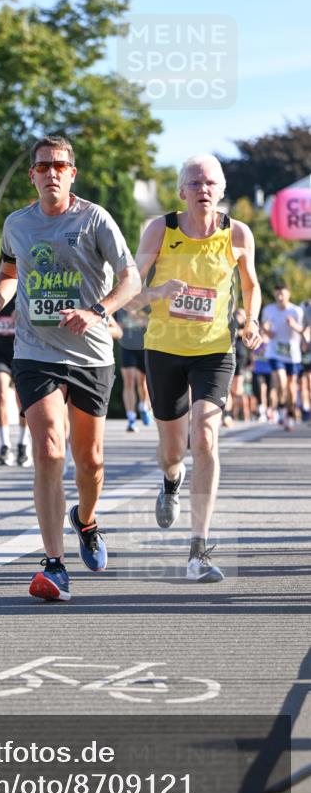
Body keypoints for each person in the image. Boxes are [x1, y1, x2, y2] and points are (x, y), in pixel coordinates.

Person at [0, 134, 141, 602]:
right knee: (48, 450)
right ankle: (54, 563)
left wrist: (97, 311)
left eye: (59, 166)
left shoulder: (94, 219)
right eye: (43, 166)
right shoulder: (17, 224)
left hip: (90, 354)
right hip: (35, 352)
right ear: (32, 175)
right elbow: (9, 275)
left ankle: (85, 520)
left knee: (90, 460)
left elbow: (131, 279)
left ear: (72, 174)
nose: (51, 173)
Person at [134, 153, 262, 583]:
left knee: (205, 435)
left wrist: (251, 321)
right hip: (164, 349)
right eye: (194, 183)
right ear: (181, 191)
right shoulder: (160, 229)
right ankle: (171, 479)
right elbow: (131, 290)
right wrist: (159, 292)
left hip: (215, 350)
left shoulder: (237, 233)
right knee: (172, 451)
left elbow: (251, 285)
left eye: (210, 183)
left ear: (222, 190)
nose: (203, 189)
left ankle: (198, 548)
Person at [0, 294, 31, 466]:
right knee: (1, 395)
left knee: (22, 399)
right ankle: (4, 445)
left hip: (21, 351)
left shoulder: (26, 289)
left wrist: (23, 314)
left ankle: (23, 443)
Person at [261, 283, 304, 431]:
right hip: (275, 352)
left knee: (291, 389)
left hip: (292, 355)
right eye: (277, 294)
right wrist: (265, 330)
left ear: (288, 295)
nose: (280, 297)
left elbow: (303, 331)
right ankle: (282, 411)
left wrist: (293, 325)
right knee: (281, 381)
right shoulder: (268, 310)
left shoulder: (296, 311)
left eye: (282, 294)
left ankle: (290, 414)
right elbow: (267, 333)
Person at [114, 304, 153, 432]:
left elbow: (151, 324)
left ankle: (144, 406)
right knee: (129, 382)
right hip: (127, 346)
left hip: (143, 346)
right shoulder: (121, 305)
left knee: (142, 383)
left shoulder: (146, 303)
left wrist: (137, 316)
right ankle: (131, 418)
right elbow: (116, 326)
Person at [222, 308, 251, 426]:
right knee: (227, 388)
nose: (240, 317)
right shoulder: (231, 322)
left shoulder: (247, 326)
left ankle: (240, 413)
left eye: (243, 315)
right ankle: (227, 415)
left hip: (241, 360)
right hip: (229, 357)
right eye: (238, 314)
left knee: (238, 389)